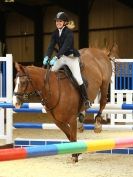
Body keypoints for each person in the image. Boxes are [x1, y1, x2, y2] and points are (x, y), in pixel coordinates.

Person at [43, 11, 91, 108]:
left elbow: (65, 47)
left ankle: (86, 100)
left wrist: (56, 57)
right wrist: (47, 56)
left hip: (71, 58)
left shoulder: (69, 33)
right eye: (56, 21)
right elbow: (51, 45)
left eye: (60, 21)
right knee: (50, 74)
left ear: (65, 22)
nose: (57, 23)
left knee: (78, 78)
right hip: (61, 57)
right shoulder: (55, 33)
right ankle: (47, 97)